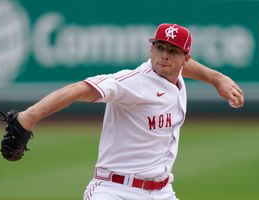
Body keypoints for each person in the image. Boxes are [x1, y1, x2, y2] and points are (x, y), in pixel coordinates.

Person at [17, 23, 244, 200]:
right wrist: (30, 116)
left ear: (185, 58)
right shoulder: (134, 83)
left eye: (172, 51)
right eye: (160, 47)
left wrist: (217, 78)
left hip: (162, 192)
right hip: (114, 190)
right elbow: (80, 89)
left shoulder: (176, 76)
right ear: (151, 49)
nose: (164, 55)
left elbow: (187, 68)